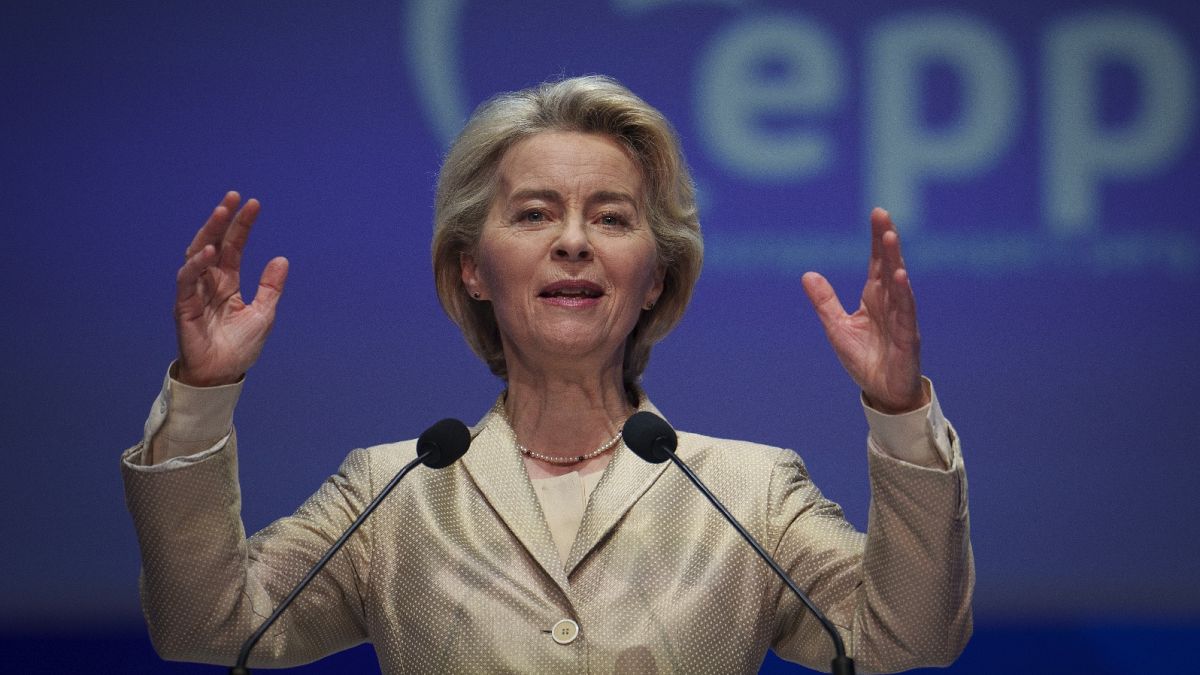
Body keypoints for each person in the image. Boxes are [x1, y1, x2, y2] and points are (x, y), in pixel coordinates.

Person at [122, 75, 972, 673]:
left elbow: (908, 635)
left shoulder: (752, 492)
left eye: (611, 216)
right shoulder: (391, 493)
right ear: (471, 268)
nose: (573, 240)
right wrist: (200, 399)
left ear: (657, 278)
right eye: (534, 214)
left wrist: (898, 407)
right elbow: (208, 624)